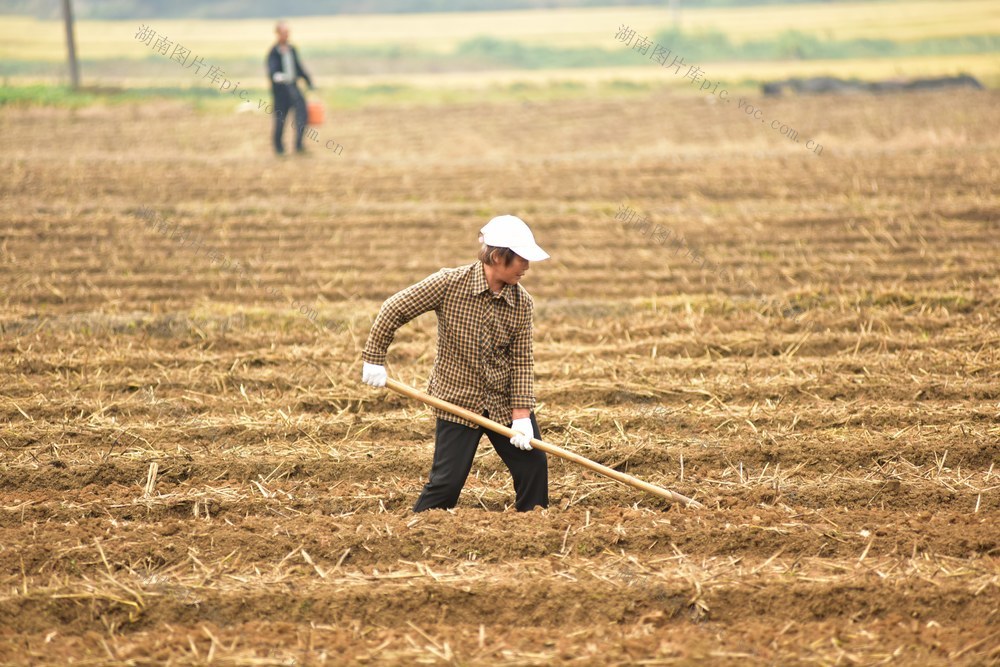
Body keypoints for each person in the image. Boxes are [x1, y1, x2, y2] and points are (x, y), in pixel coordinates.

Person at [361, 215, 551, 512]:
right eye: (522, 259)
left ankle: (536, 527)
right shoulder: (450, 284)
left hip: (502, 402)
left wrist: (522, 416)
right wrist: (374, 359)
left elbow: (522, 361)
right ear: (498, 257)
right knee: (447, 483)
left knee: (534, 468)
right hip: (458, 401)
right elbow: (394, 308)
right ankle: (417, 529)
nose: (527, 267)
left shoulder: (522, 303)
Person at [266, 21, 313, 155]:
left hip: (293, 87)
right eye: (284, 33)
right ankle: (279, 148)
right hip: (281, 91)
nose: (286, 35)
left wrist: (308, 80)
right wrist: (279, 77)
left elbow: (298, 67)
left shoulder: (292, 50)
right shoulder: (274, 52)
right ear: (278, 34)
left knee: (302, 115)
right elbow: (272, 72)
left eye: (287, 33)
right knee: (280, 119)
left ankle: (299, 145)